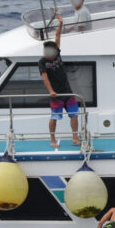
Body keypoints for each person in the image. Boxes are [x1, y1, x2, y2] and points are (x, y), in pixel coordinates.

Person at [39, 14, 81, 148]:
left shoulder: (57, 54)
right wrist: (51, 91)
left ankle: (75, 137)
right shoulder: (42, 61)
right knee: (55, 117)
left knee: (74, 115)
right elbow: (44, 77)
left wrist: (61, 24)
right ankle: (52, 139)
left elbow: (57, 37)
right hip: (56, 94)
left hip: (67, 91)